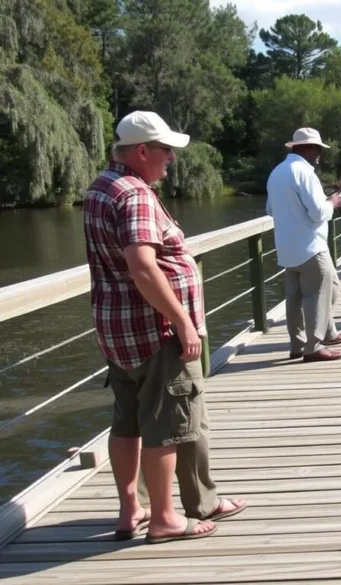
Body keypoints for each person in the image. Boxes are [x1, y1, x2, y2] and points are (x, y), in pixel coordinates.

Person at [83, 111, 246, 545]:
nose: (171, 159)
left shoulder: (100, 187)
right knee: (167, 426)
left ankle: (129, 509)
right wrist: (182, 322)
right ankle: (165, 518)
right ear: (141, 151)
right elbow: (142, 266)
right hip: (153, 330)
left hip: (116, 329)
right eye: (165, 150)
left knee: (127, 422)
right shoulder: (134, 194)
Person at [266, 128, 341, 362]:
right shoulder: (304, 172)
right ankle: (314, 346)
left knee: (295, 298)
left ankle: (299, 344)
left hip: (286, 247)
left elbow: (270, 209)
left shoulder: (277, 172)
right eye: (319, 149)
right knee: (318, 294)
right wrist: (332, 201)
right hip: (311, 246)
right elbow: (318, 212)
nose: (320, 154)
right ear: (309, 149)